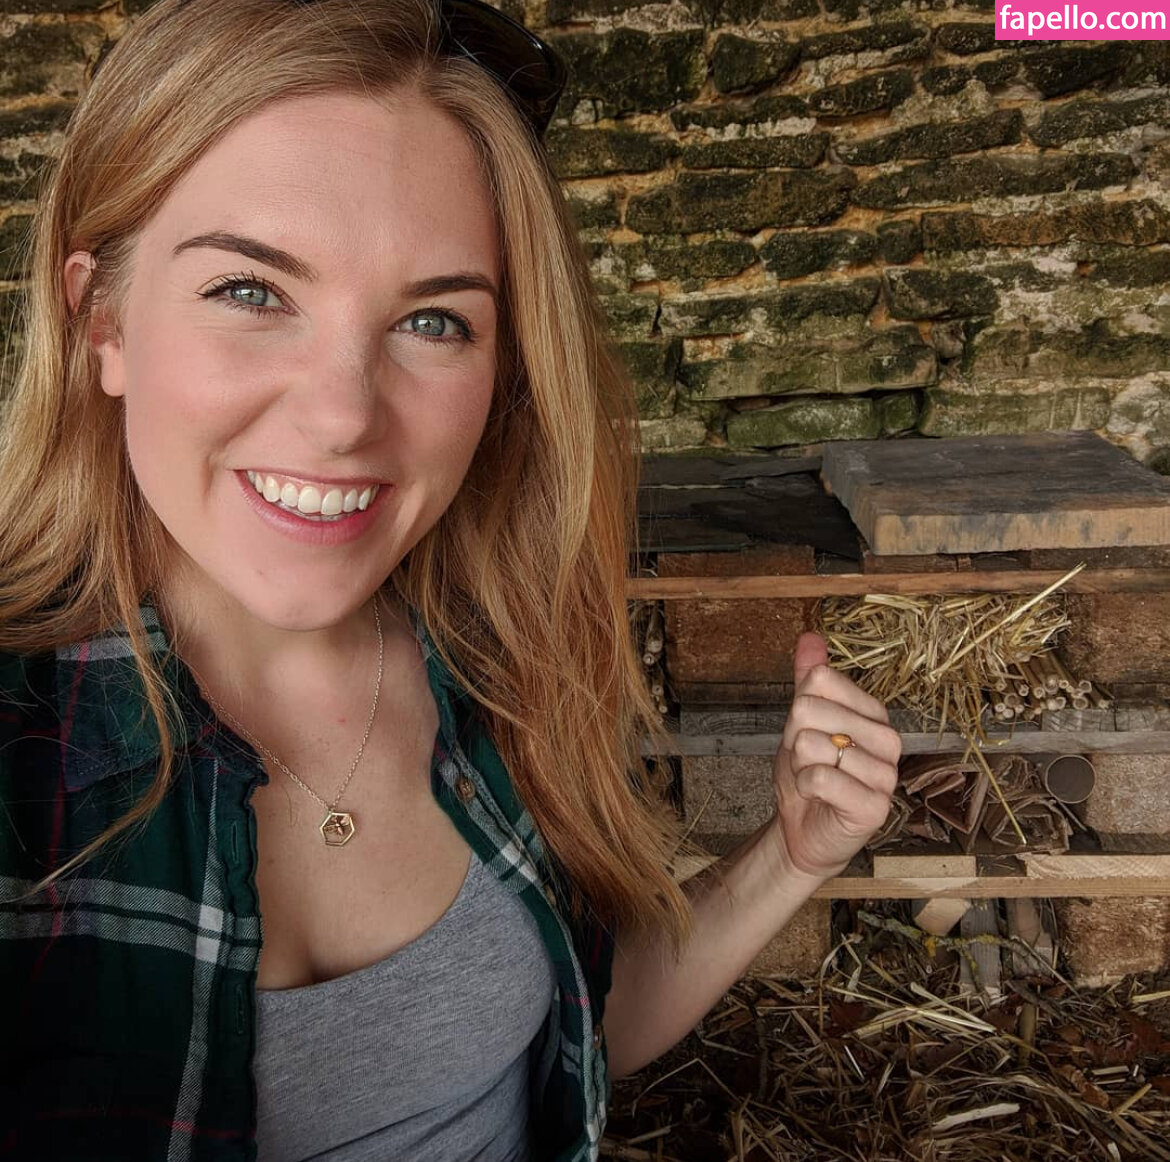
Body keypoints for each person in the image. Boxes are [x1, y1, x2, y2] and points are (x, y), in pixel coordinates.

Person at [0, 0, 901, 1159]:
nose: (343, 416)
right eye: (251, 292)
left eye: (433, 320)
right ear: (100, 321)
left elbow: (571, 1029)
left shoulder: (492, 658)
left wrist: (792, 853)